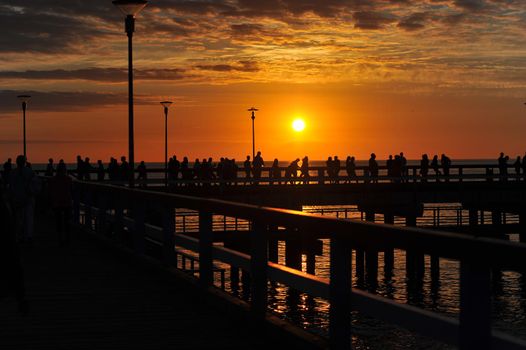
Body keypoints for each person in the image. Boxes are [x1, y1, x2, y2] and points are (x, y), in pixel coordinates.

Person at [0, 185, 28, 314]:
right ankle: (19, 295)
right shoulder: (5, 205)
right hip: (8, 239)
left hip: (8, 238)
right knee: (15, 264)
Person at [8, 155, 38, 244]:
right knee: (28, 219)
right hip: (28, 199)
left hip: (17, 199)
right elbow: (35, 186)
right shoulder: (30, 172)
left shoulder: (12, 173)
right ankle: (28, 236)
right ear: (25, 162)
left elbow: (11, 187)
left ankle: (19, 236)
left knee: (18, 219)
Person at [48, 164, 72, 246]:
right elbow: (71, 190)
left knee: (58, 221)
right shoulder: (68, 179)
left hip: (56, 203)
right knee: (67, 221)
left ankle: (59, 238)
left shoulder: (53, 179)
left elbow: (50, 191)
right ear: (65, 170)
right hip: (66, 202)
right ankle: (67, 238)